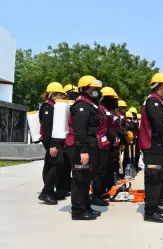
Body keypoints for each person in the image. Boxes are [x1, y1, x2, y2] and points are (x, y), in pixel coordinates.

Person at [139, 72, 163, 223]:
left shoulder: (158, 102)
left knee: (158, 178)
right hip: (153, 147)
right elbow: (159, 125)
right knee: (153, 180)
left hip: (159, 147)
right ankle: (150, 212)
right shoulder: (153, 102)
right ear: (162, 87)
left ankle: (154, 206)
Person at [65, 75, 102, 220]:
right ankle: (78, 211)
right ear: (85, 89)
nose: (96, 91)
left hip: (87, 146)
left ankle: (86, 207)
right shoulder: (81, 106)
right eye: (93, 88)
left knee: (86, 179)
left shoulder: (89, 104)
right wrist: (84, 151)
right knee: (80, 180)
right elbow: (80, 130)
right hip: (80, 148)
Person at [37, 82, 66, 205]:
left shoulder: (54, 106)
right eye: (61, 94)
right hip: (51, 141)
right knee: (57, 163)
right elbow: (48, 128)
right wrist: (52, 145)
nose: (63, 97)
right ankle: (46, 192)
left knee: (49, 164)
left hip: (54, 140)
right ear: (53, 95)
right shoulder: (48, 108)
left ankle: (49, 190)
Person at [90, 87, 118, 206]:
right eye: (112, 99)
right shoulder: (101, 110)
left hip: (107, 144)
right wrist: (112, 138)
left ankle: (101, 193)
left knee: (103, 171)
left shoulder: (106, 110)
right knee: (99, 172)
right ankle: (96, 196)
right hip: (101, 145)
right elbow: (104, 129)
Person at [128, 106, 141, 173]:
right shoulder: (129, 121)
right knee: (131, 154)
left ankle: (136, 165)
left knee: (137, 153)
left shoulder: (136, 122)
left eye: (134, 114)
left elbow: (138, 129)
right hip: (130, 139)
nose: (133, 115)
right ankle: (131, 166)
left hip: (137, 139)